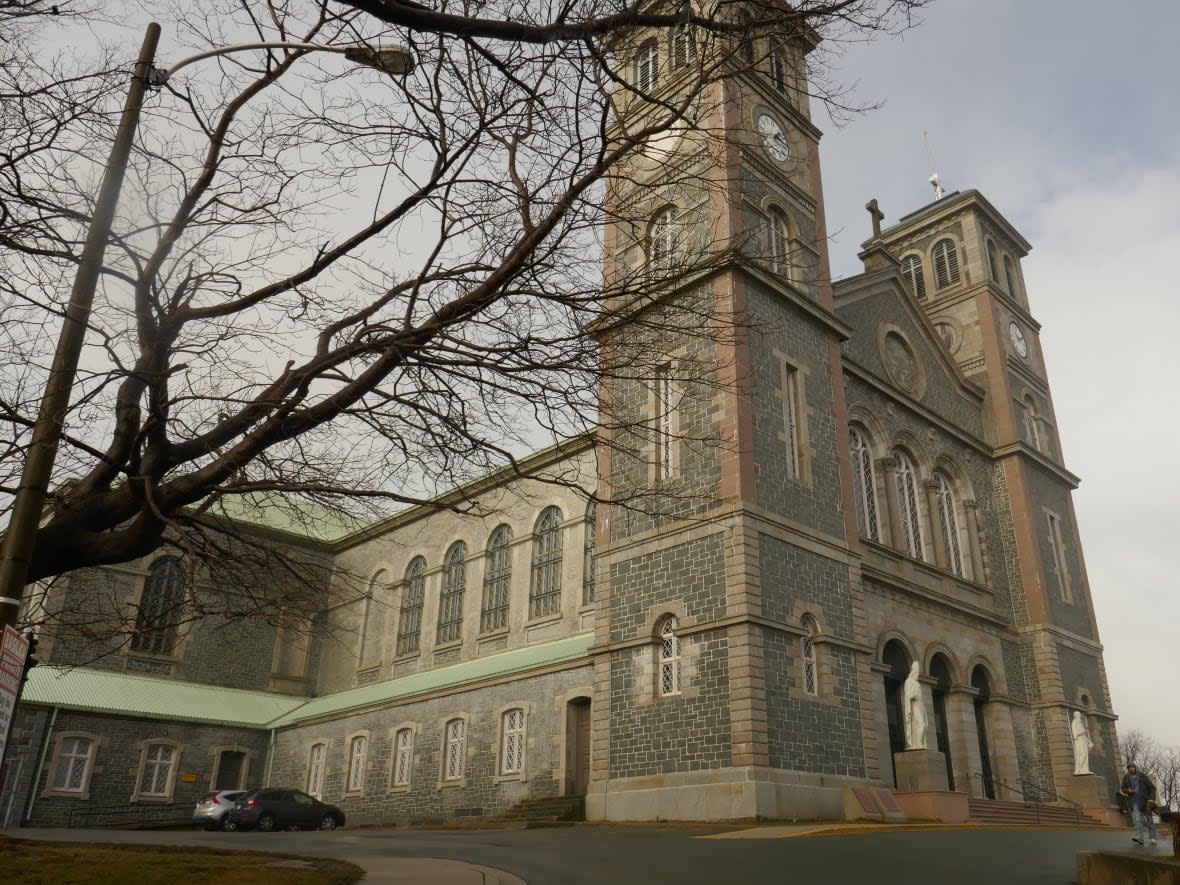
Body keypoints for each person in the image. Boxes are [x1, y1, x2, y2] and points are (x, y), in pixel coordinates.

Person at [1119, 762, 1159, 846]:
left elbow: (1152, 787)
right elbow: (1123, 788)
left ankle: (1153, 838)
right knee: (1137, 820)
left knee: (1149, 820)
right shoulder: (1126, 777)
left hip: (1145, 801)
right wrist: (1129, 791)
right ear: (1128, 769)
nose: (1131, 769)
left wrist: (1151, 798)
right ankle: (1140, 838)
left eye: (1133, 767)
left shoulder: (1142, 776)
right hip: (1134, 802)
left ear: (1135, 768)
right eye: (1130, 768)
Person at [903, 661, 928, 750]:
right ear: (913, 672)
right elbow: (908, 695)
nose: (918, 675)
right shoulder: (908, 681)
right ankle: (918, 744)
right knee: (921, 723)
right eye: (916, 673)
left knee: (924, 725)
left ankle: (921, 744)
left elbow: (921, 697)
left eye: (918, 673)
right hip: (914, 706)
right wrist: (914, 694)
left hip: (920, 705)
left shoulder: (917, 683)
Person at [1071, 710, 1093, 775]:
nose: (1080, 716)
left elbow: (1085, 734)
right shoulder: (1074, 722)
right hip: (1079, 741)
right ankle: (1079, 770)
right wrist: (1082, 732)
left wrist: (1089, 742)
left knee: (1085, 754)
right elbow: (1075, 734)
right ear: (1076, 715)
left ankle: (1085, 770)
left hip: (1083, 741)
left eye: (1080, 714)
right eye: (1079, 715)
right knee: (1081, 754)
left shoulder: (1080, 723)